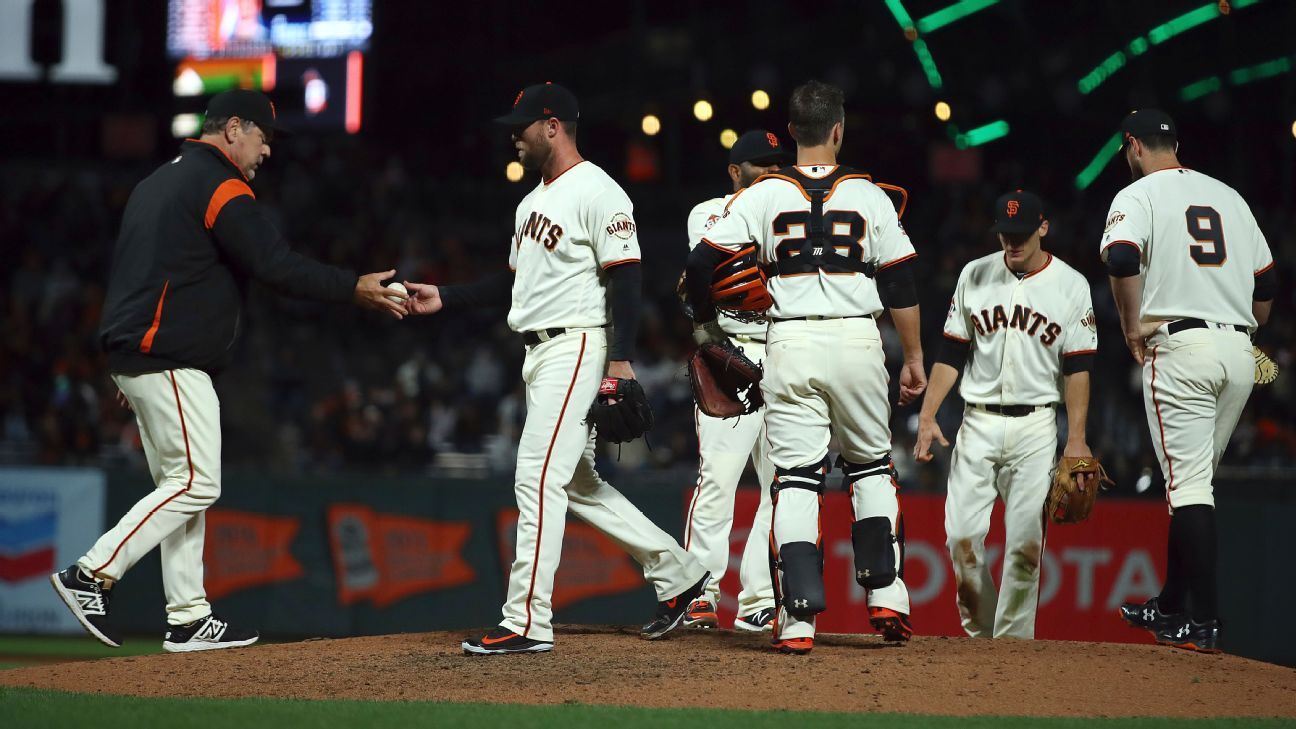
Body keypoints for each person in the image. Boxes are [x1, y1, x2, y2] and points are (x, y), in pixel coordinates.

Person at [50, 89, 405, 653]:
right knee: (196, 483)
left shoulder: (156, 182)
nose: (267, 151)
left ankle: (188, 617)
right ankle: (90, 574)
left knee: (180, 486)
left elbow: (135, 272)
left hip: (142, 354)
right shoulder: (217, 183)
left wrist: (126, 357)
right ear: (234, 128)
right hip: (166, 358)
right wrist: (352, 286)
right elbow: (274, 263)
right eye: (264, 137)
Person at [403, 82, 709, 656]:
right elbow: (514, 283)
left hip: (579, 345)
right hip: (539, 352)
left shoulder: (599, 191)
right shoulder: (529, 203)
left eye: (520, 126)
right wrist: (446, 296)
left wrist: (620, 359)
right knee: (574, 481)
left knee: (537, 477)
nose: (512, 136)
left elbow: (627, 277)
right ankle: (680, 574)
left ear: (553, 125)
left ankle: (526, 619)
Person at [684, 80, 926, 654]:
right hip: (857, 340)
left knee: (793, 480)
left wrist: (704, 327)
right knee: (869, 468)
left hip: (788, 341)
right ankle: (886, 595)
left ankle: (796, 621)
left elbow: (700, 264)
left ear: (792, 133)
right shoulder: (870, 197)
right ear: (838, 130)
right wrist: (913, 357)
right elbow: (899, 280)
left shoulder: (763, 195)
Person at [1102, 110, 1276, 653]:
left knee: (1189, 487)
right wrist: (1234, 315)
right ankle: (1174, 603)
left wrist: (1132, 325)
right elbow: (1267, 285)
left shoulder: (1139, 195)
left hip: (1180, 349)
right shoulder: (1230, 196)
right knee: (1193, 483)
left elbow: (1122, 255)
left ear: (1133, 145)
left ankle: (1204, 620)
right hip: (1240, 352)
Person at [914, 189, 1098, 639]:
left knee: (1024, 546)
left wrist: (1076, 438)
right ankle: (982, 638)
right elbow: (951, 352)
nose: (1012, 243)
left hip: (1036, 424)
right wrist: (928, 414)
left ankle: (1013, 647)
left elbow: (1078, 368)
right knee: (960, 538)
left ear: (1043, 227)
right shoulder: (974, 275)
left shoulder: (1071, 286)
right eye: (1004, 234)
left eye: (1020, 233)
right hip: (976, 422)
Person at [680, 130, 785, 633]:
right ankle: (700, 591)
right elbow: (722, 267)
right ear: (734, 172)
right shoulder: (708, 212)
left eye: (774, 164)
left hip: (788, 353)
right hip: (731, 349)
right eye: (757, 164)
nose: (768, 171)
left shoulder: (794, 215)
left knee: (781, 485)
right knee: (718, 479)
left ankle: (759, 598)